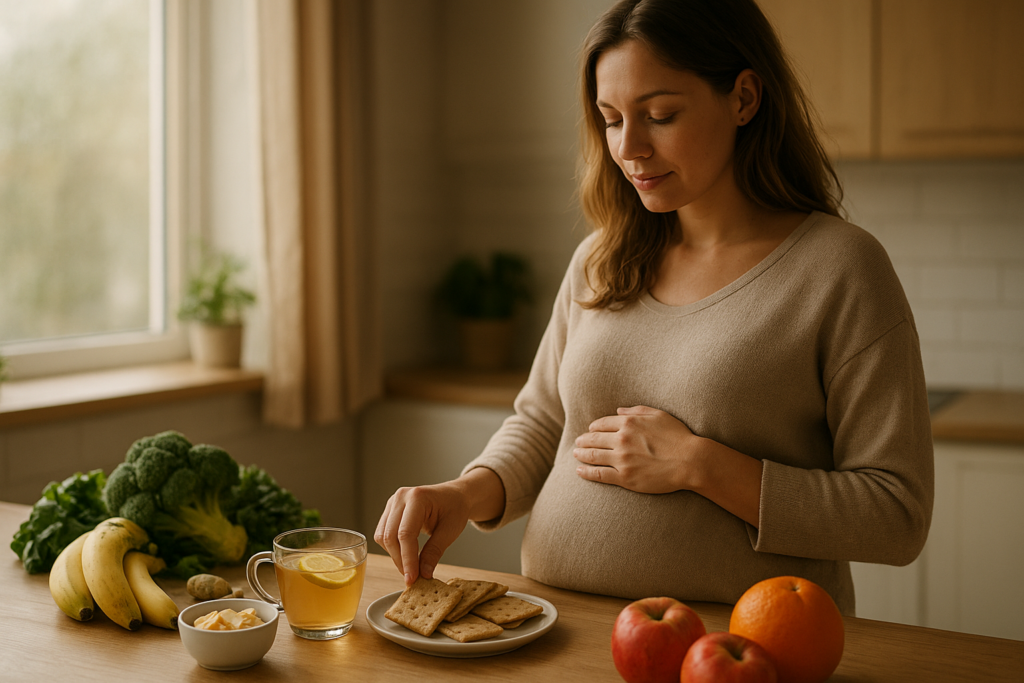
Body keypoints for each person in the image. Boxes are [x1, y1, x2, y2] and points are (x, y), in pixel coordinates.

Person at [374, 0, 933, 616]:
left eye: (660, 115)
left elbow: (896, 514)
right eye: (611, 120)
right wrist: (462, 493)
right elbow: (542, 426)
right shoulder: (601, 259)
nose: (630, 147)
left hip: (743, 645)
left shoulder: (839, 269)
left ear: (744, 98)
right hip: (560, 629)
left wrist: (700, 465)